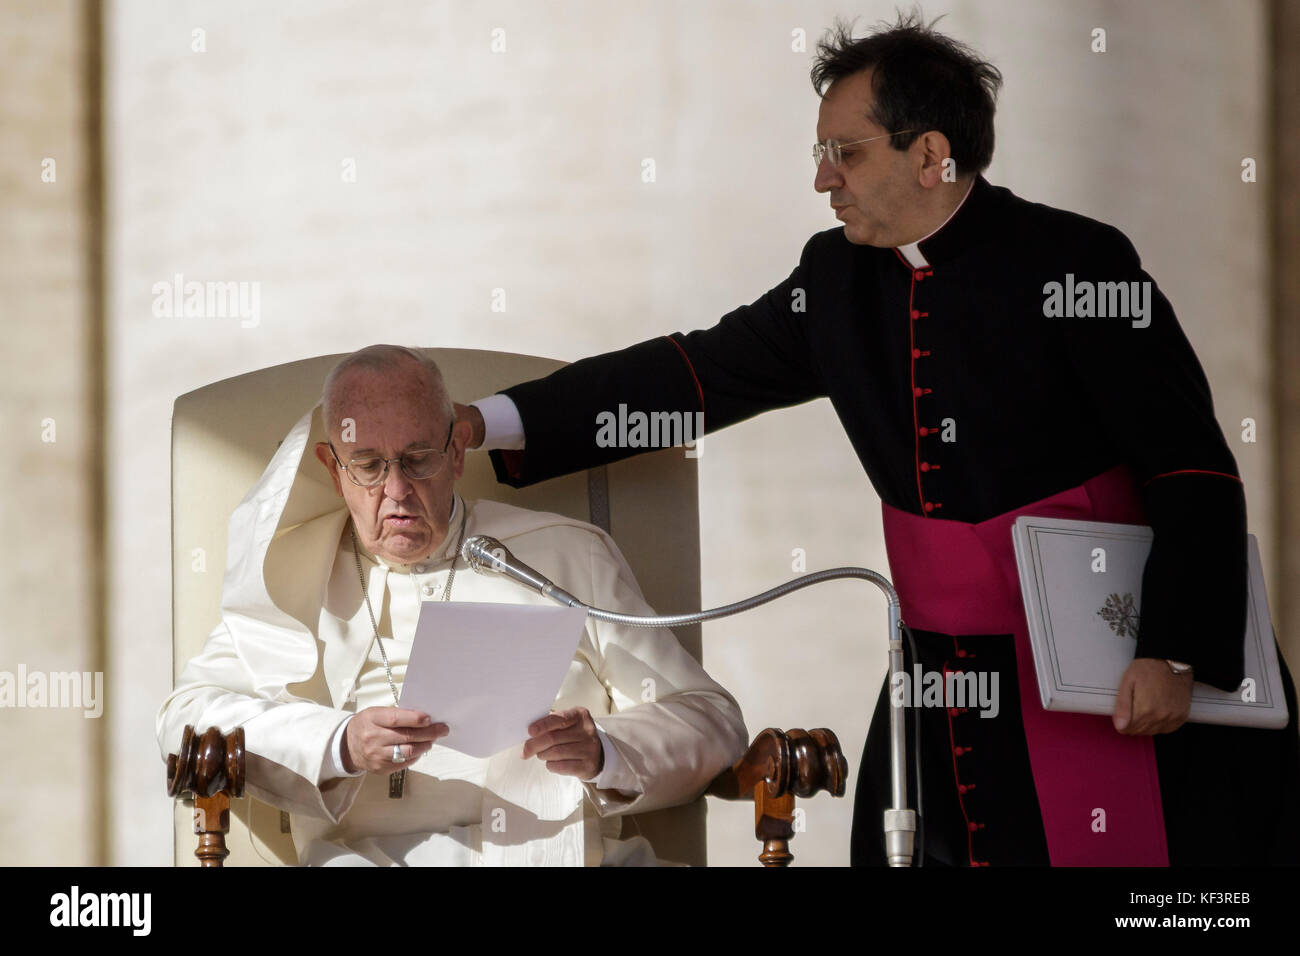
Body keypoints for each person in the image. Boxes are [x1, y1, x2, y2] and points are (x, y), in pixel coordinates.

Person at [458, 14, 1300, 865]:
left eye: (846, 153)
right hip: (940, 674)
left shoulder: (1077, 263)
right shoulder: (836, 280)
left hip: (1112, 662)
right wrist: (486, 421)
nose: (824, 179)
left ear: (932, 154)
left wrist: (1173, 651)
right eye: (819, 153)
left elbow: (1189, 461)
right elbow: (694, 377)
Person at [156, 344, 748, 866]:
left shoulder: (565, 555)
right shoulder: (286, 575)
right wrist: (338, 742)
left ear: (458, 450)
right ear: (333, 470)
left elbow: (711, 720)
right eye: (367, 465)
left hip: (567, 858)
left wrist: (607, 750)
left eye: (418, 459)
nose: (397, 490)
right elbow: (184, 718)